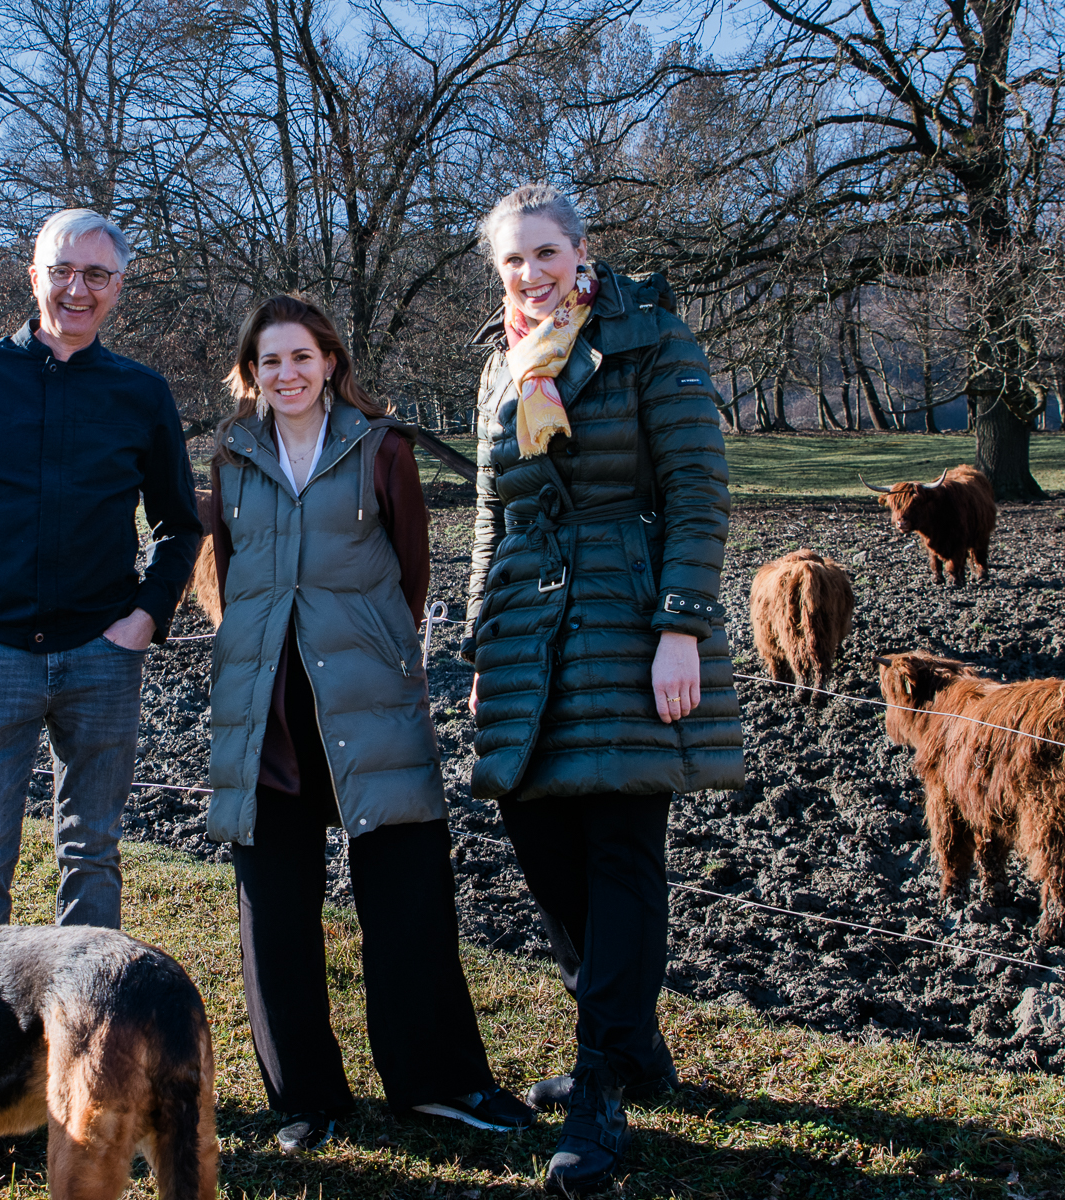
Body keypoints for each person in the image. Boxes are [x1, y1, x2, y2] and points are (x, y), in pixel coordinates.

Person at [461, 185, 744, 1195]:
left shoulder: (652, 341)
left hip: (630, 627)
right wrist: (481, 641)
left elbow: (700, 490)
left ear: (583, 253)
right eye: (512, 263)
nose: (531, 277)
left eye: (546, 255)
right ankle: (633, 1048)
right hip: (531, 643)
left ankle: (598, 1089)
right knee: (542, 847)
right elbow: (493, 519)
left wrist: (681, 626)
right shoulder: (501, 368)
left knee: (622, 849)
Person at [206, 294, 535, 1155]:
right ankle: (306, 1098)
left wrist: (379, 657)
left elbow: (413, 574)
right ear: (252, 372)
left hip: (368, 702)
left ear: (330, 362)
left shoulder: (382, 448)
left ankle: (438, 1082)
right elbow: (232, 572)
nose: (287, 374)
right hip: (265, 715)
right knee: (273, 911)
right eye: (270, 361)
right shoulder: (231, 458)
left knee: (407, 895)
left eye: (302, 357)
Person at [0, 210, 201, 927]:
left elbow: (180, 522)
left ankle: (88, 1034)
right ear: (34, 277)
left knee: (93, 855)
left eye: (96, 274)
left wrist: (144, 620)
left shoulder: (141, 393)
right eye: (62, 270)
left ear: (119, 287)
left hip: (102, 657)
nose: (77, 289)